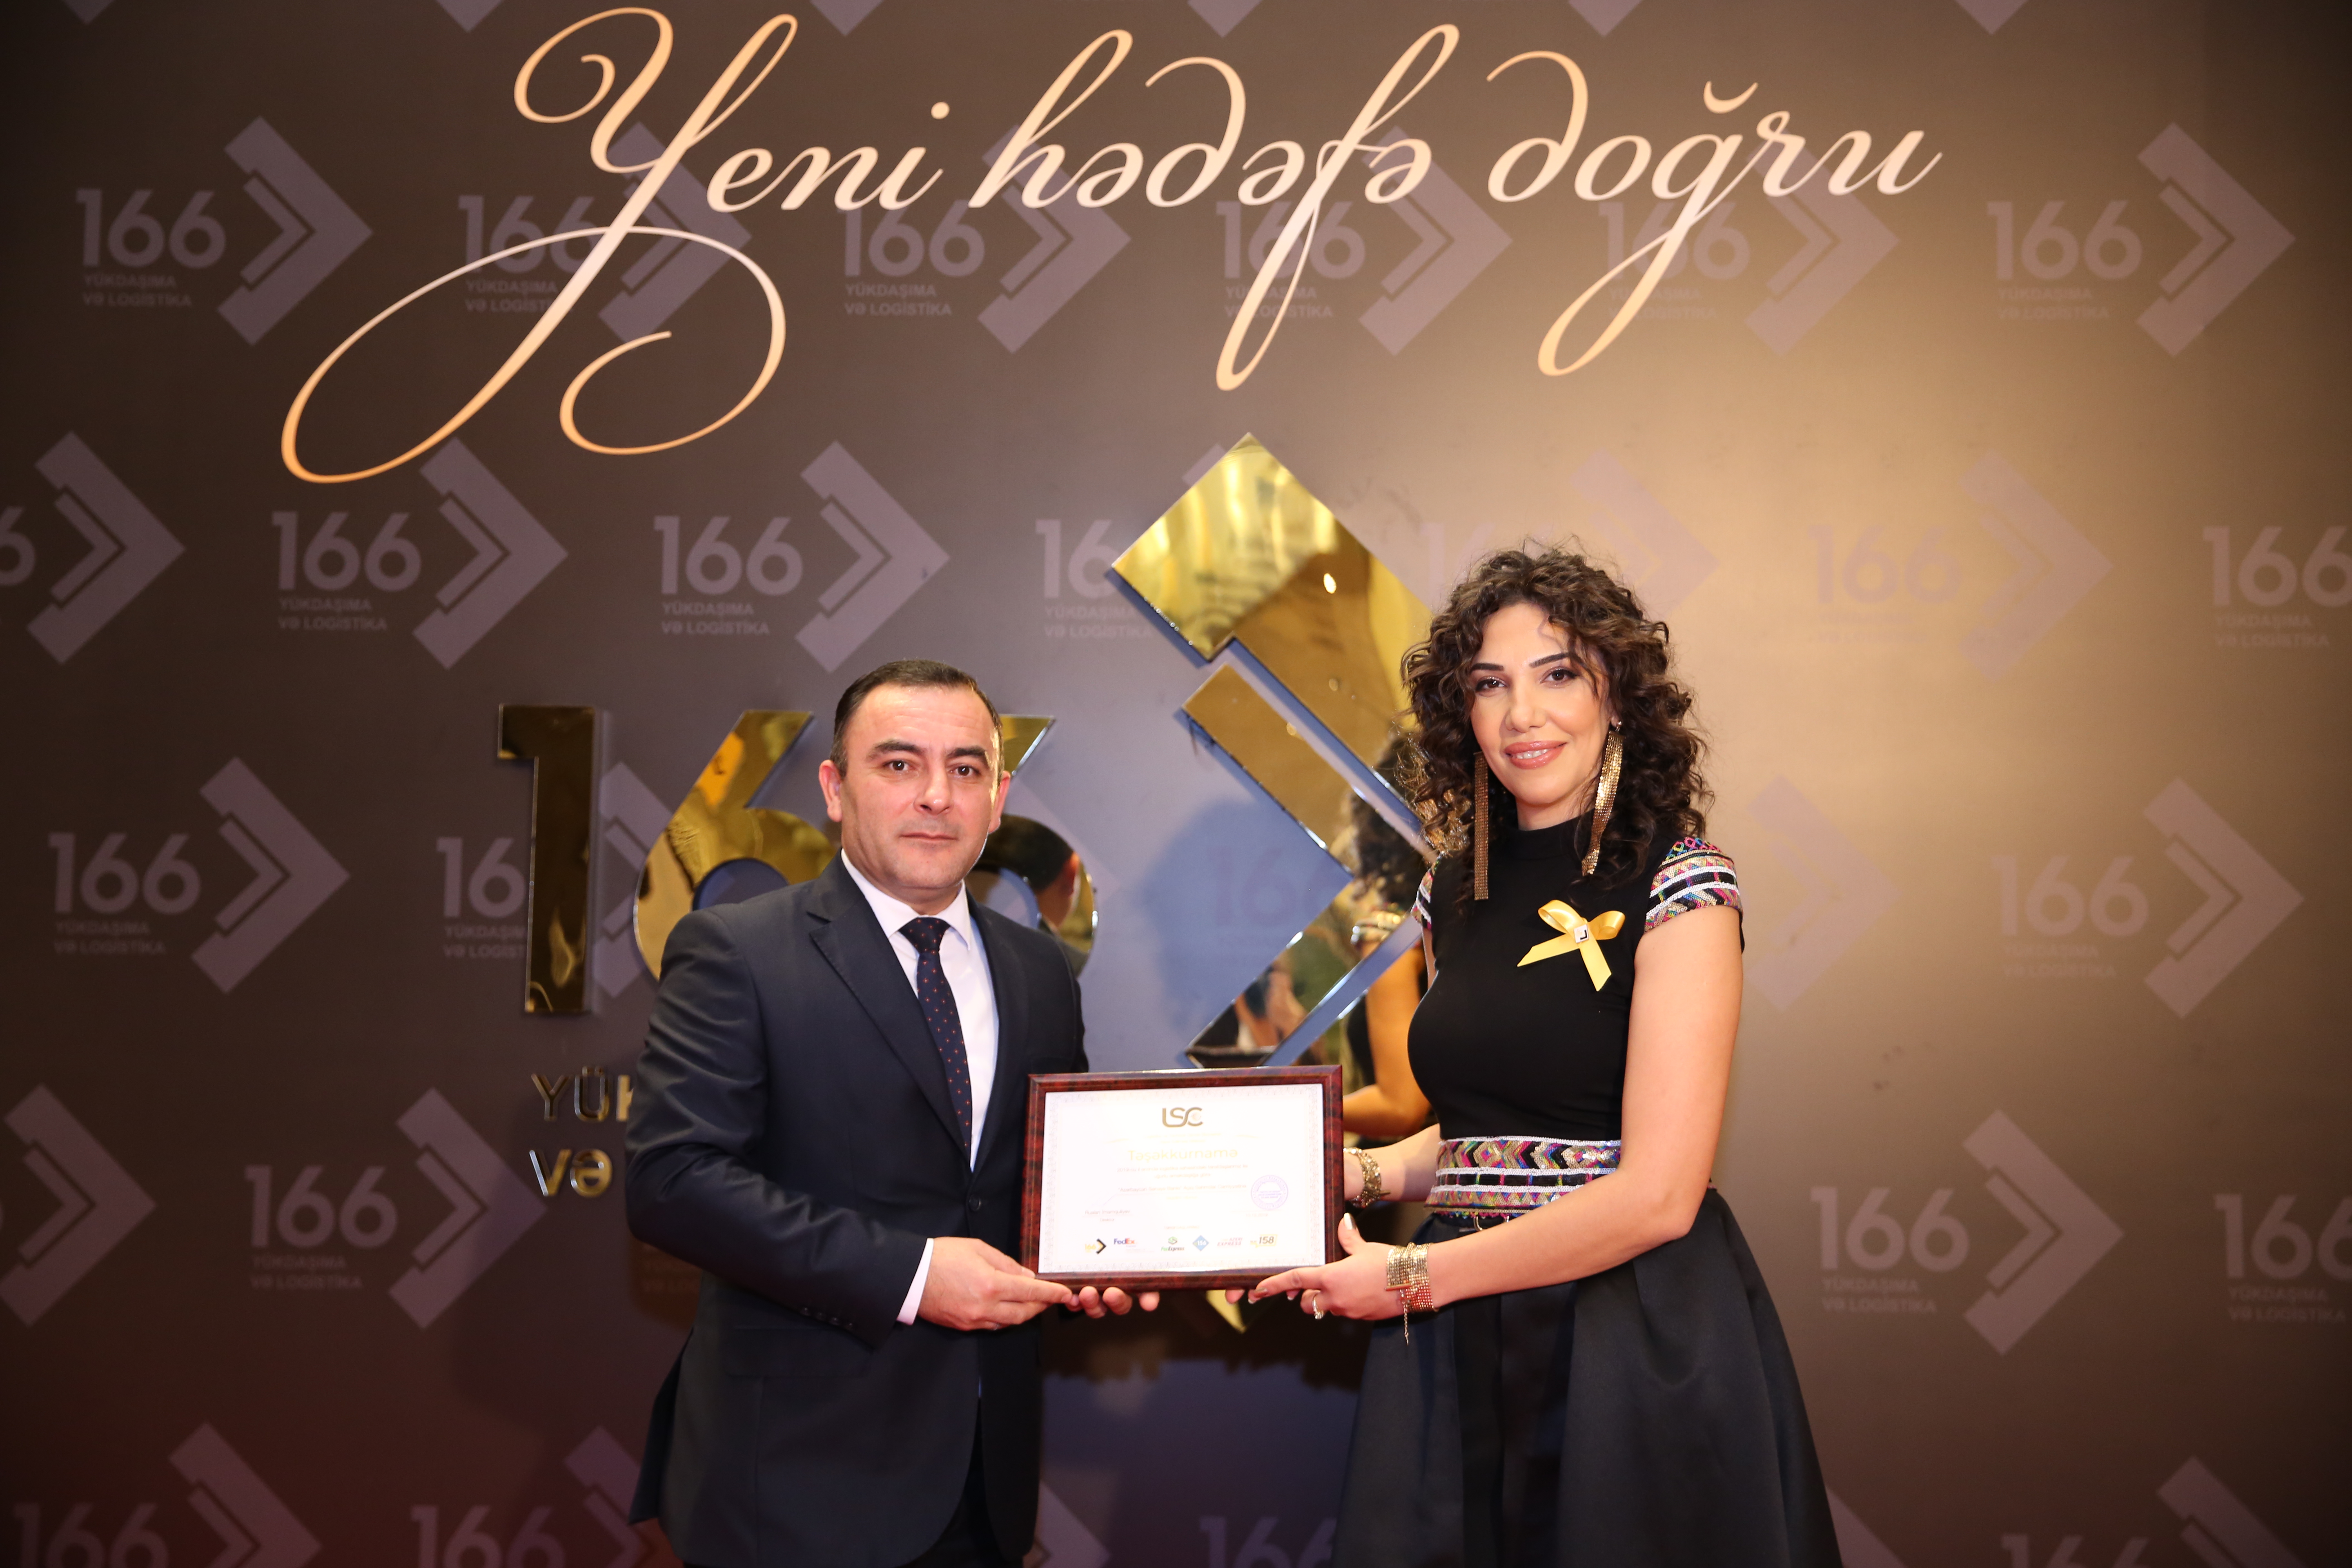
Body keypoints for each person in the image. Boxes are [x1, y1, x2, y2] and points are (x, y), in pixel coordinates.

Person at [1249, 549, 1840, 1567]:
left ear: (1617, 695)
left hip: (1625, 1333)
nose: (1523, 714)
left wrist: (1412, 1277)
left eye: (1558, 673)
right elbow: (1495, 1128)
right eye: (1490, 684)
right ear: (1464, 713)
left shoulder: (1683, 881)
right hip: (1457, 1325)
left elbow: (1660, 1195)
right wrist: (1363, 1174)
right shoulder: (1451, 891)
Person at [625, 659, 1154, 1568]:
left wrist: (1092, 1264)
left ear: (998, 800)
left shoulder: (1038, 971)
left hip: (984, 1484)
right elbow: (674, 1181)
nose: (936, 796)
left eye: (966, 768)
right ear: (835, 789)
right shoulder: (738, 951)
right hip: (793, 1483)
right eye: (900, 764)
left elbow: (1044, 1188)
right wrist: (913, 1274)